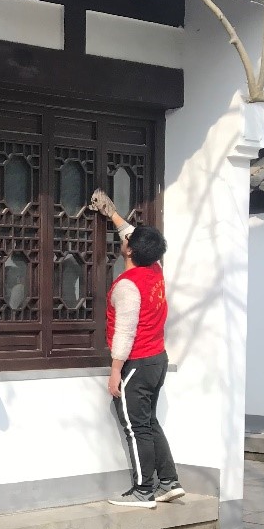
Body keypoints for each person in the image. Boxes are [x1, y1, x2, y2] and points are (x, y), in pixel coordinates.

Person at [89, 190, 185, 509]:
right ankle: (169, 482)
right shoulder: (154, 268)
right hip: (157, 359)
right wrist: (112, 214)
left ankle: (144, 490)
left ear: (129, 250)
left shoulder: (128, 286)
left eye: (128, 239)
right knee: (148, 422)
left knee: (136, 426)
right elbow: (135, 237)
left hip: (137, 363)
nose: (126, 238)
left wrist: (115, 372)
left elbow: (125, 333)